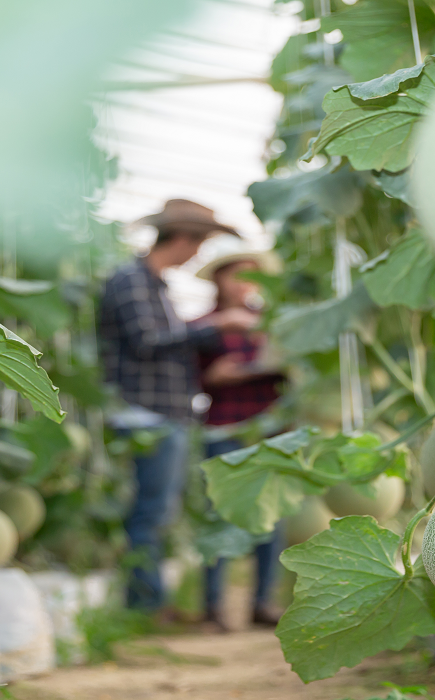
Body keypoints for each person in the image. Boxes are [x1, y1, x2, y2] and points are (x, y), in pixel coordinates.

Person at [97, 200, 259, 613]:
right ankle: (145, 604)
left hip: (161, 413)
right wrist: (214, 326)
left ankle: (149, 599)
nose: (197, 255)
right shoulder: (131, 280)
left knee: (156, 509)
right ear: (183, 238)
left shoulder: (155, 285)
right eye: (200, 244)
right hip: (144, 412)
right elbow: (148, 342)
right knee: (150, 511)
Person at [194, 235, 286, 630]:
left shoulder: (274, 324)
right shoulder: (202, 327)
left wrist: (241, 371)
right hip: (224, 429)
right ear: (219, 279)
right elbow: (194, 376)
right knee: (222, 517)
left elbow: (291, 368)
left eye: (251, 276)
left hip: (271, 430)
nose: (244, 283)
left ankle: (261, 603)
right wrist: (214, 376)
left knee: (271, 519)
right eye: (236, 275)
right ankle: (213, 607)